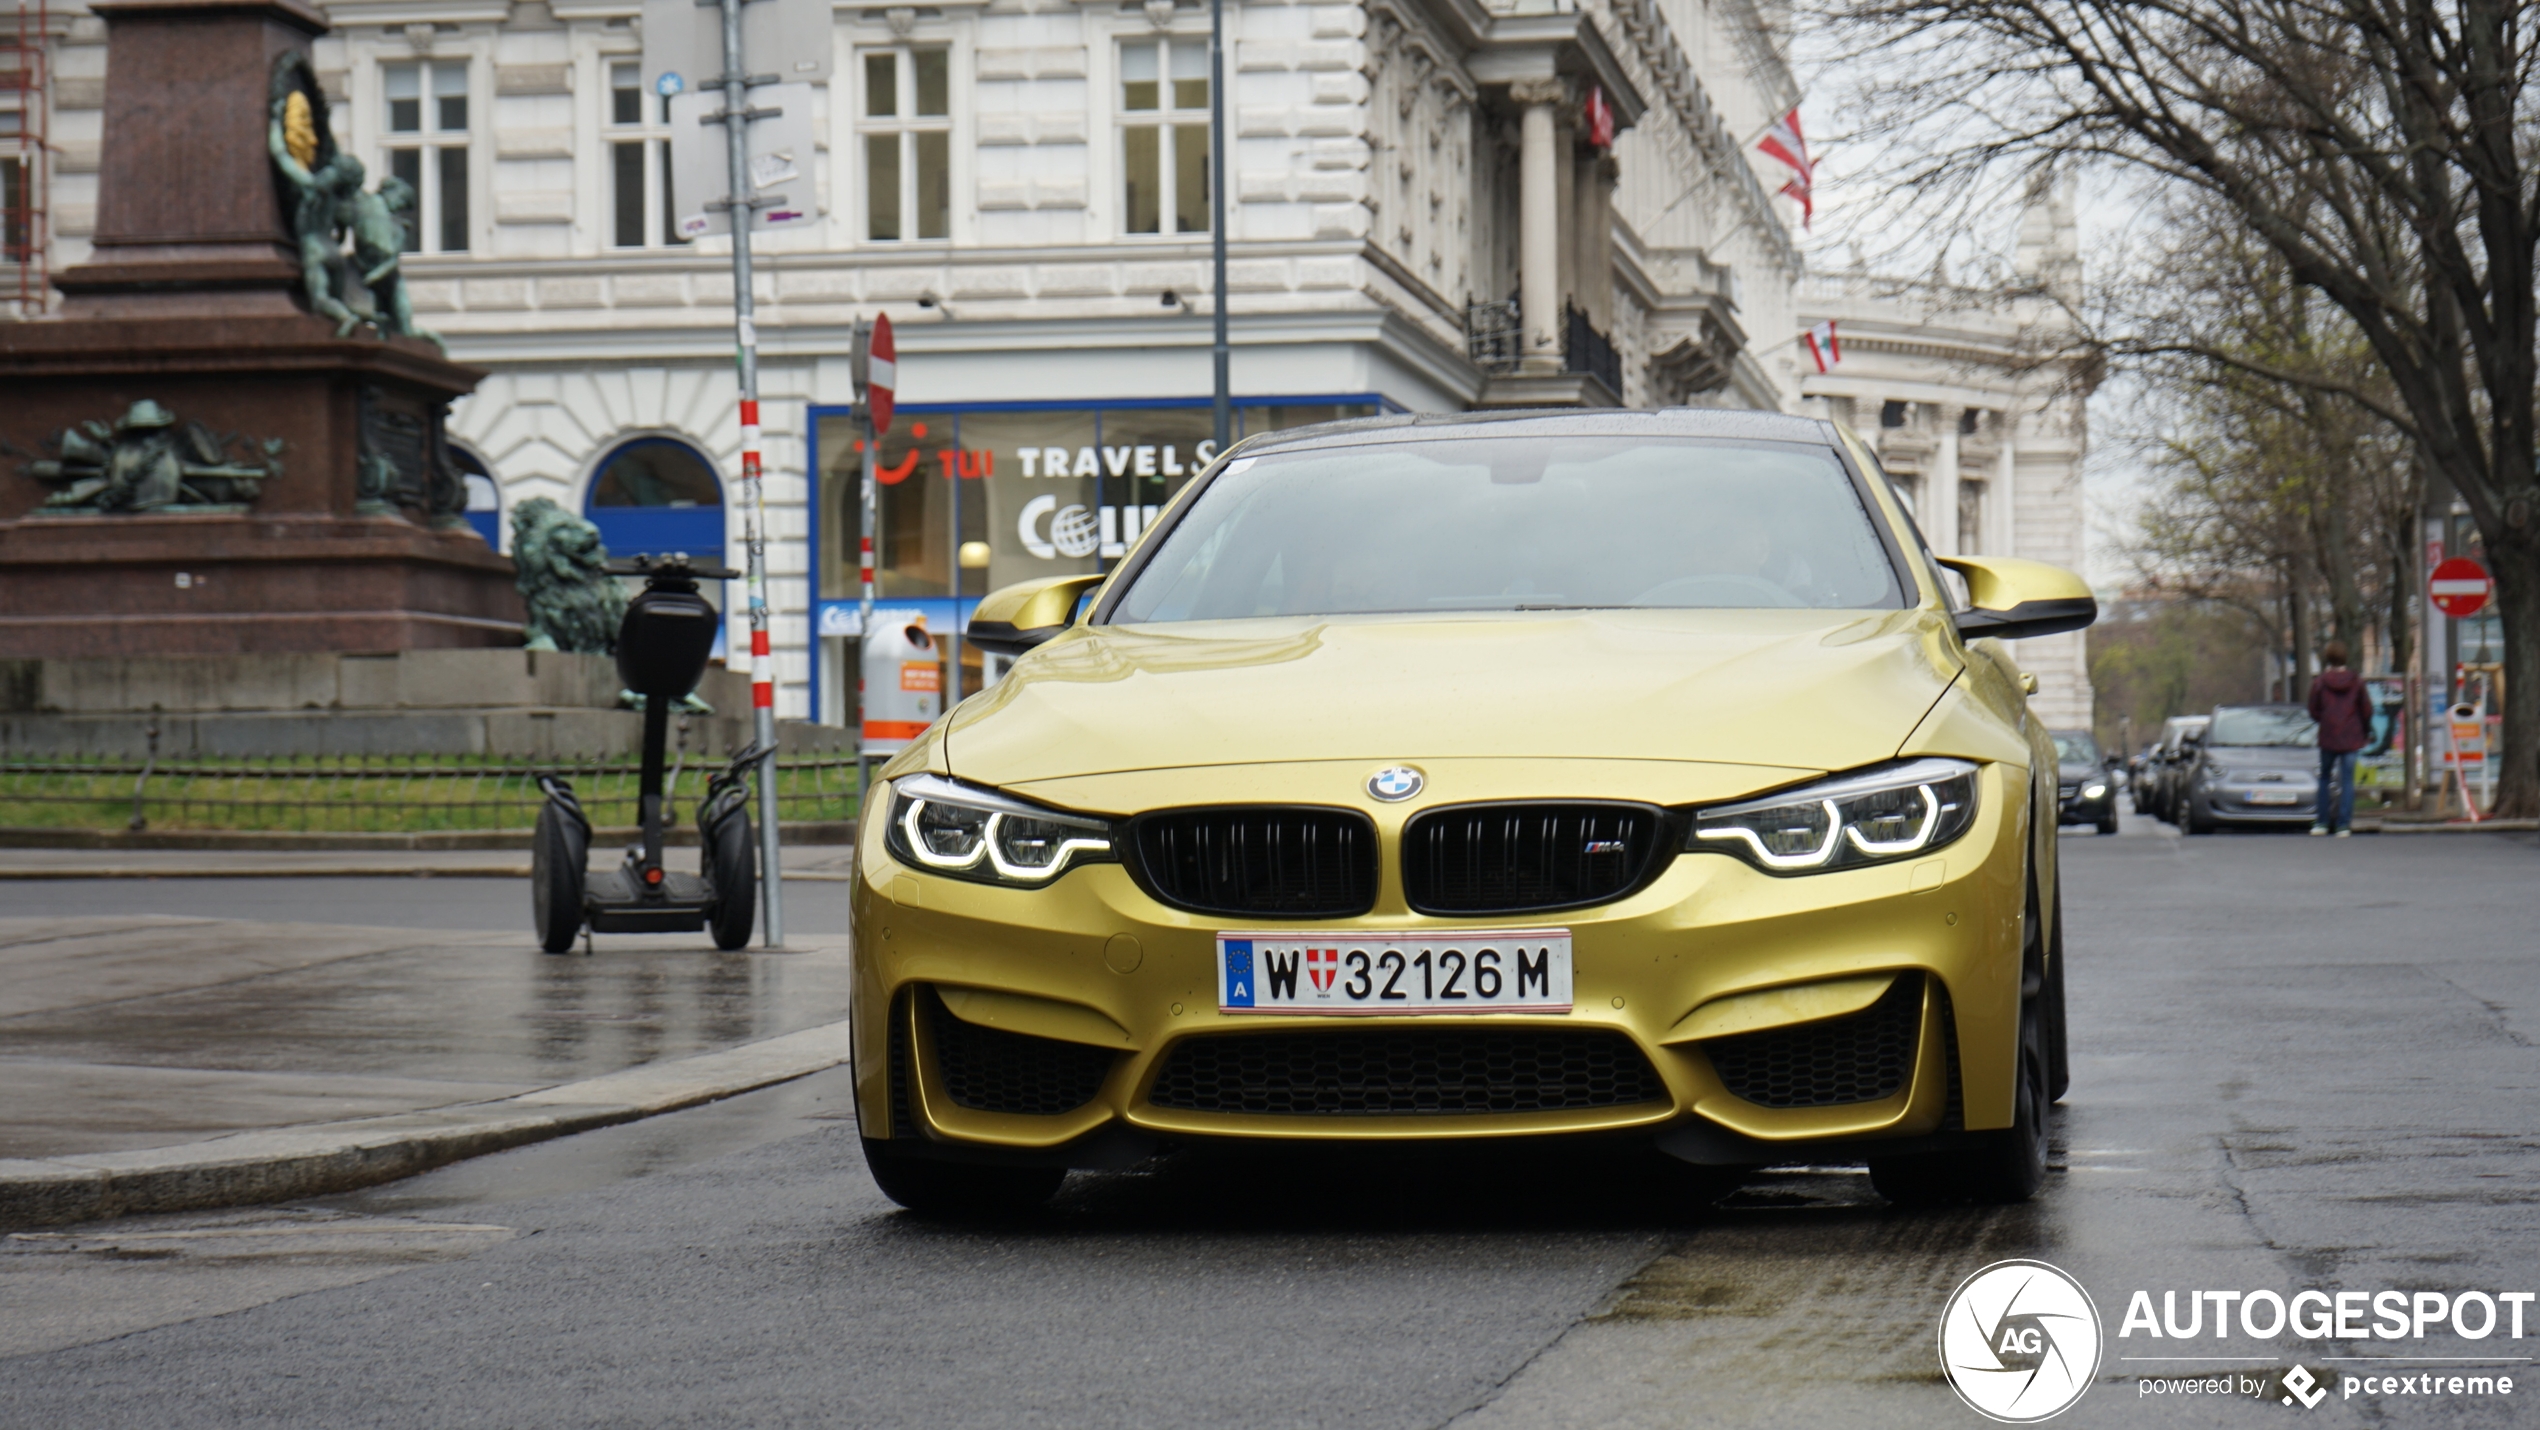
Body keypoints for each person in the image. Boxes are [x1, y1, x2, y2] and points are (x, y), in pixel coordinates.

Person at [2307, 642, 2374, 836]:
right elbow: (2366, 710)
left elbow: (2313, 709)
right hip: (2352, 738)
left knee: (2325, 779)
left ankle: (2322, 822)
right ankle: (2343, 825)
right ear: (2346, 658)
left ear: (2328, 659)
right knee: (2346, 781)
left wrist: (2326, 720)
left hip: (2328, 736)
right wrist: (2364, 730)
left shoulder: (2320, 682)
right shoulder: (2357, 682)